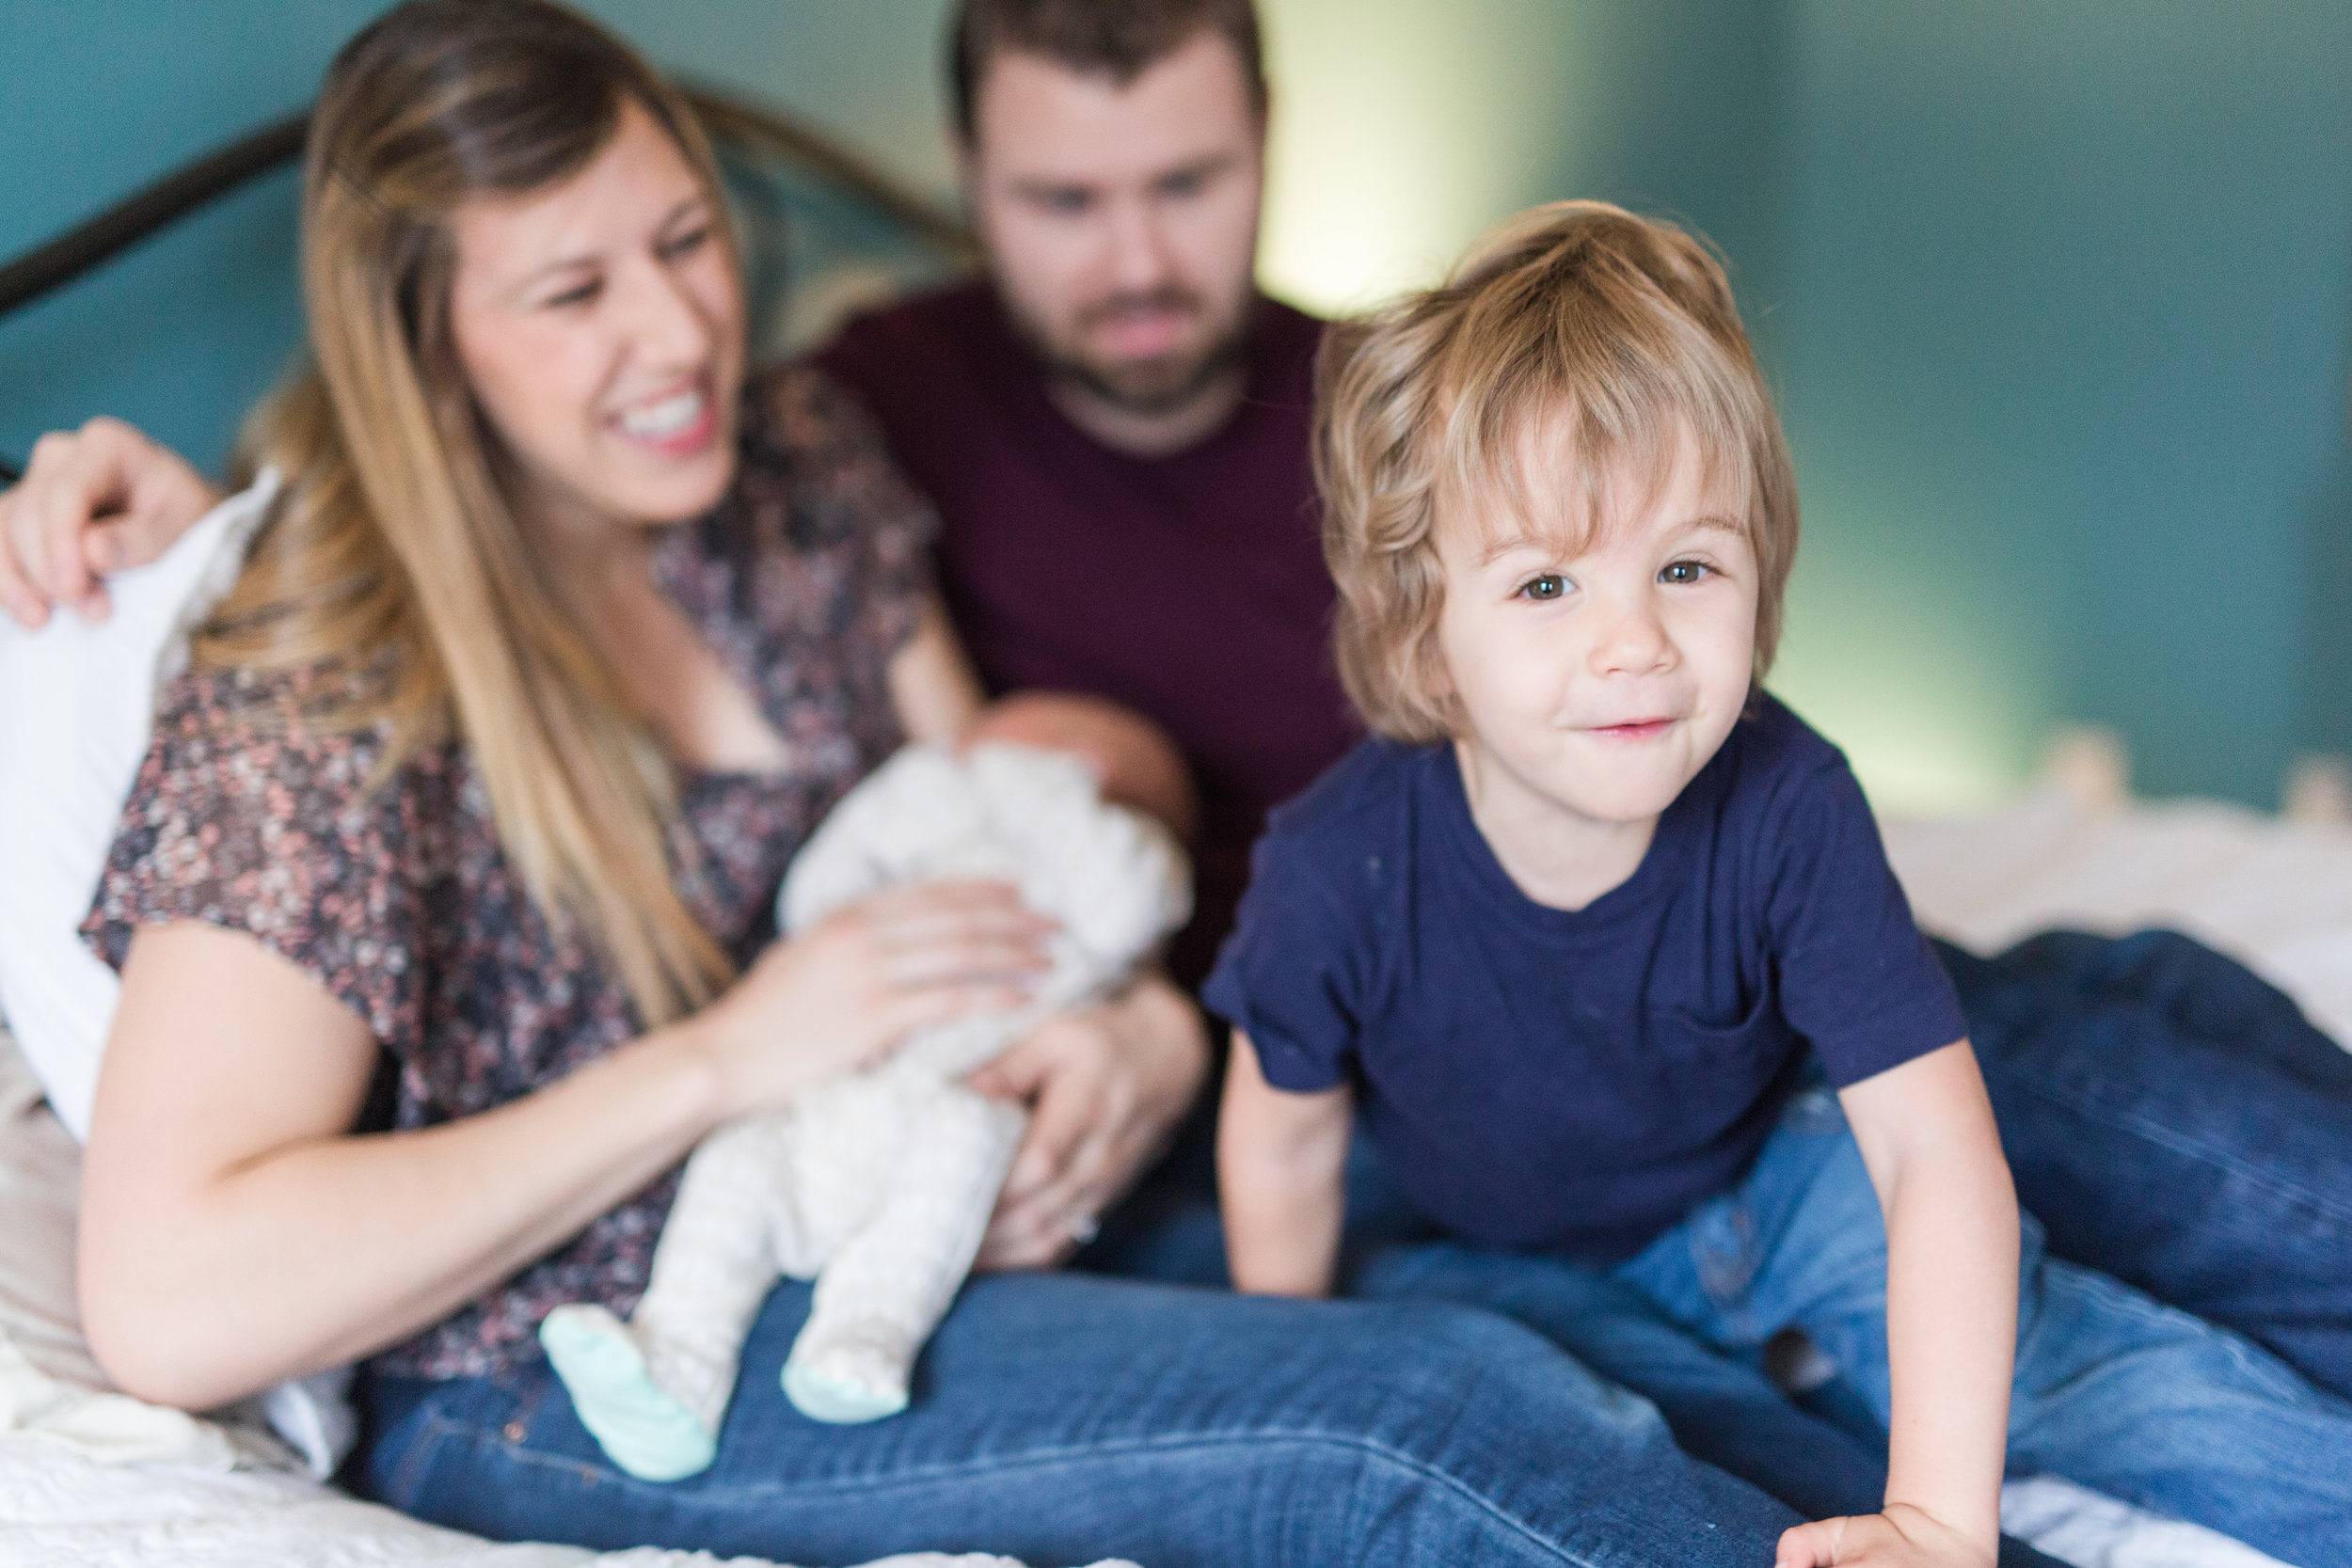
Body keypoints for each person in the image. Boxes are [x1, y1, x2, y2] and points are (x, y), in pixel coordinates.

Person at [3, 0, 2346, 1548]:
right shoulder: (331, 671)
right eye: (570, 289)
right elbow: (182, 1295)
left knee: (2091, 1061)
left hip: (1069, 1143)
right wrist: (734, 1050)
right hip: (601, 1328)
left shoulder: (796, 481)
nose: (677, 326)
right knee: (1441, 1411)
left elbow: (1044, 829)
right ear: (428, 350)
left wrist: (1130, 1018)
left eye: (689, 238)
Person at [1206, 199, 2352, 1568]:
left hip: (1771, 1172)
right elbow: (1280, 1150)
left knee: (2074, 1370)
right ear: (1427, 628)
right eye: (1547, 586)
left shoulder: (1789, 802)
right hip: (1514, 1248)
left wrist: (1938, 1516)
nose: (1635, 642)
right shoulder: (1337, 873)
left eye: (1686, 566)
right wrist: (1295, 1376)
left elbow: (1934, 1156)